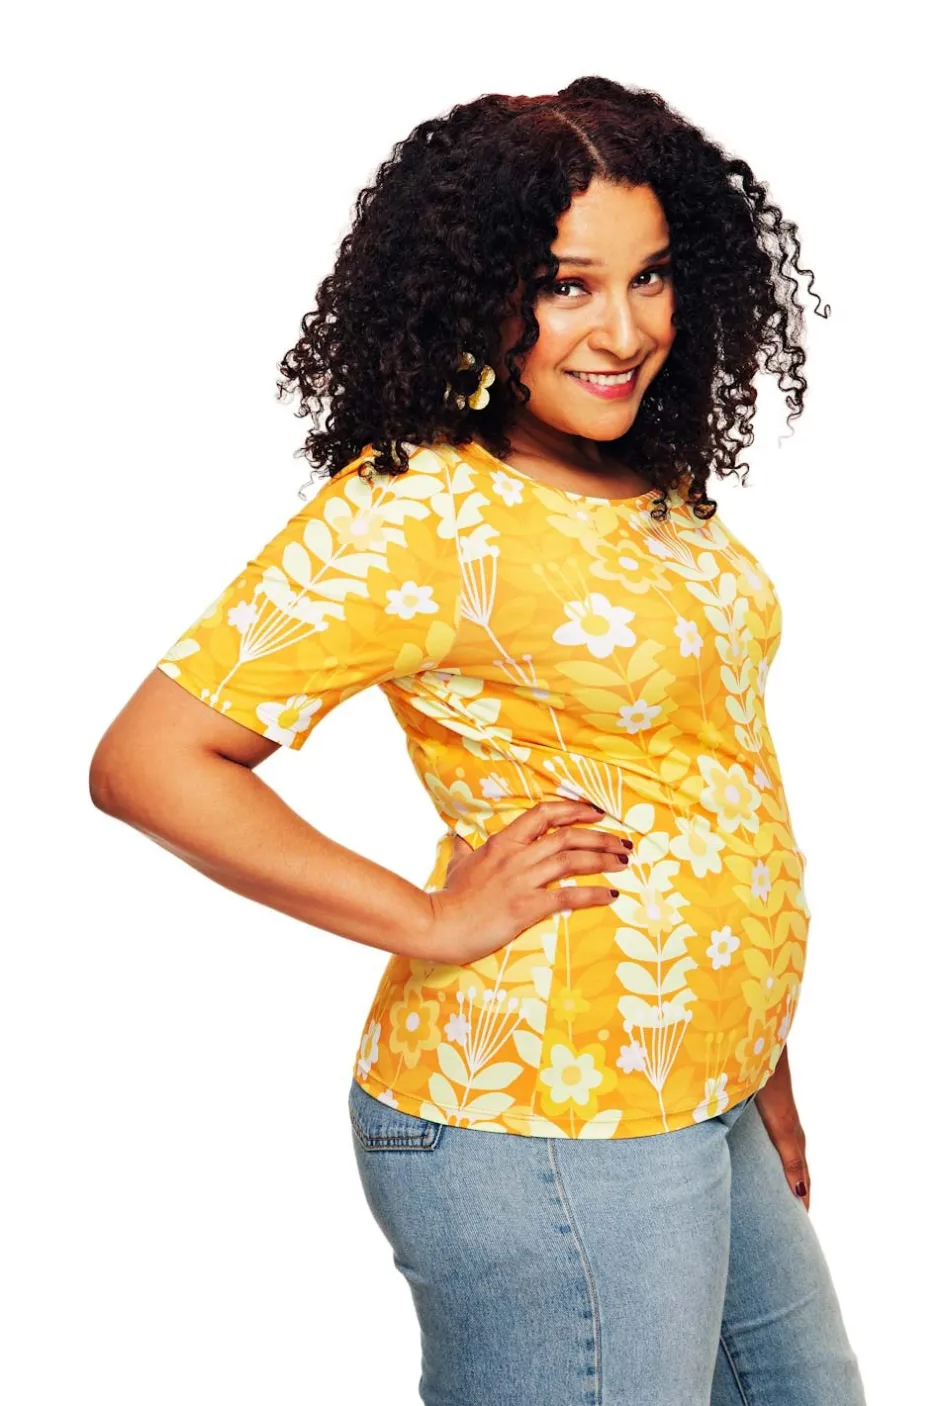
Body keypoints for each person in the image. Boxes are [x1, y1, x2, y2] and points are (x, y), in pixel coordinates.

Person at [89, 77, 867, 1405]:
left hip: (696, 1083)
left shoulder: (654, 484)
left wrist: (761, 1060)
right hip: (545, 1111)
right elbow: (150, 760)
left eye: (652, 276)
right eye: (568, 287)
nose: (625, 330)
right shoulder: (419, 513)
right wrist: (431, 919)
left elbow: (705, 772)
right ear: (478, 293)